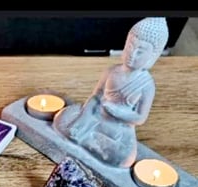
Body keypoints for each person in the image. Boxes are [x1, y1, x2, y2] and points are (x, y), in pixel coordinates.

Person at [52, 17, 169, 168]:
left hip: (118, 127)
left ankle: (87, 139)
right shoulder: (112, 71)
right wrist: (84, 117)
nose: (132, 54)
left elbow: (140, 118)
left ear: (152, 56)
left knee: (121, 157)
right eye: (130, 47)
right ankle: (89, 139)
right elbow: (96, 96)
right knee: (62, 118)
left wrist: (119, 112)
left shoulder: (147, 85)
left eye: (140, 52)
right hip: (96, 115)